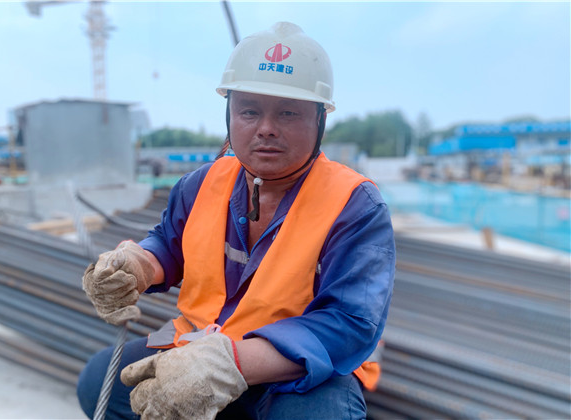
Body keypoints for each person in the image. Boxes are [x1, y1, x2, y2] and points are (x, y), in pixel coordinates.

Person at [77, 22, 395, 420]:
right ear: (229, 114)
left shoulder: (355, 204)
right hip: (201, 346)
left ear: (320, 120)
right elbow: (169, 243)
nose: (266, 129)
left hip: (290, 369)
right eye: (249, 111)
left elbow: (350, 322)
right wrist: (139, 264)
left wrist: (234, 363)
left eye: (288, 112)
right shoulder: (201, 184)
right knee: (99, 383)